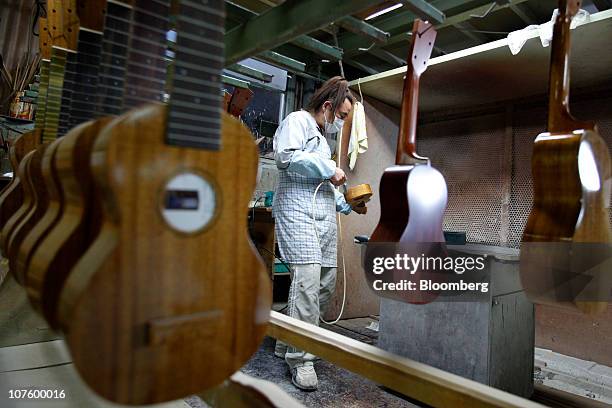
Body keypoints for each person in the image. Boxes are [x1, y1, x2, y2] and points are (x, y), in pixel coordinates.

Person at [272, 76, 366, 391]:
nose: (341, 123)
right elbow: (285, 157)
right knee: (308, 283)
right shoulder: (296, 121)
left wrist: (349, 205)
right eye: (340, 116)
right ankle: (301, 358)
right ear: (327, 107)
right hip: (297, 212)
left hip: (322, 215)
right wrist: (328, 169)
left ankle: (287, 339)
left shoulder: (323, 141)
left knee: (324, 284)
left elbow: (325, 185)